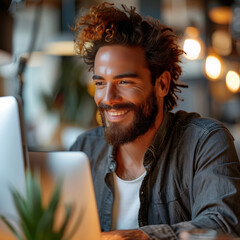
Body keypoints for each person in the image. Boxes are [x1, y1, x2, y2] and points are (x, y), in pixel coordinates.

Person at [70, 2, 240, 239]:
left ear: (162, 84)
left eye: (124, 82)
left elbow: (221, 224)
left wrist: (142, 237)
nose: (108, 99)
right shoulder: (84, 150)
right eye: (100, 83)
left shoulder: (205, 142)